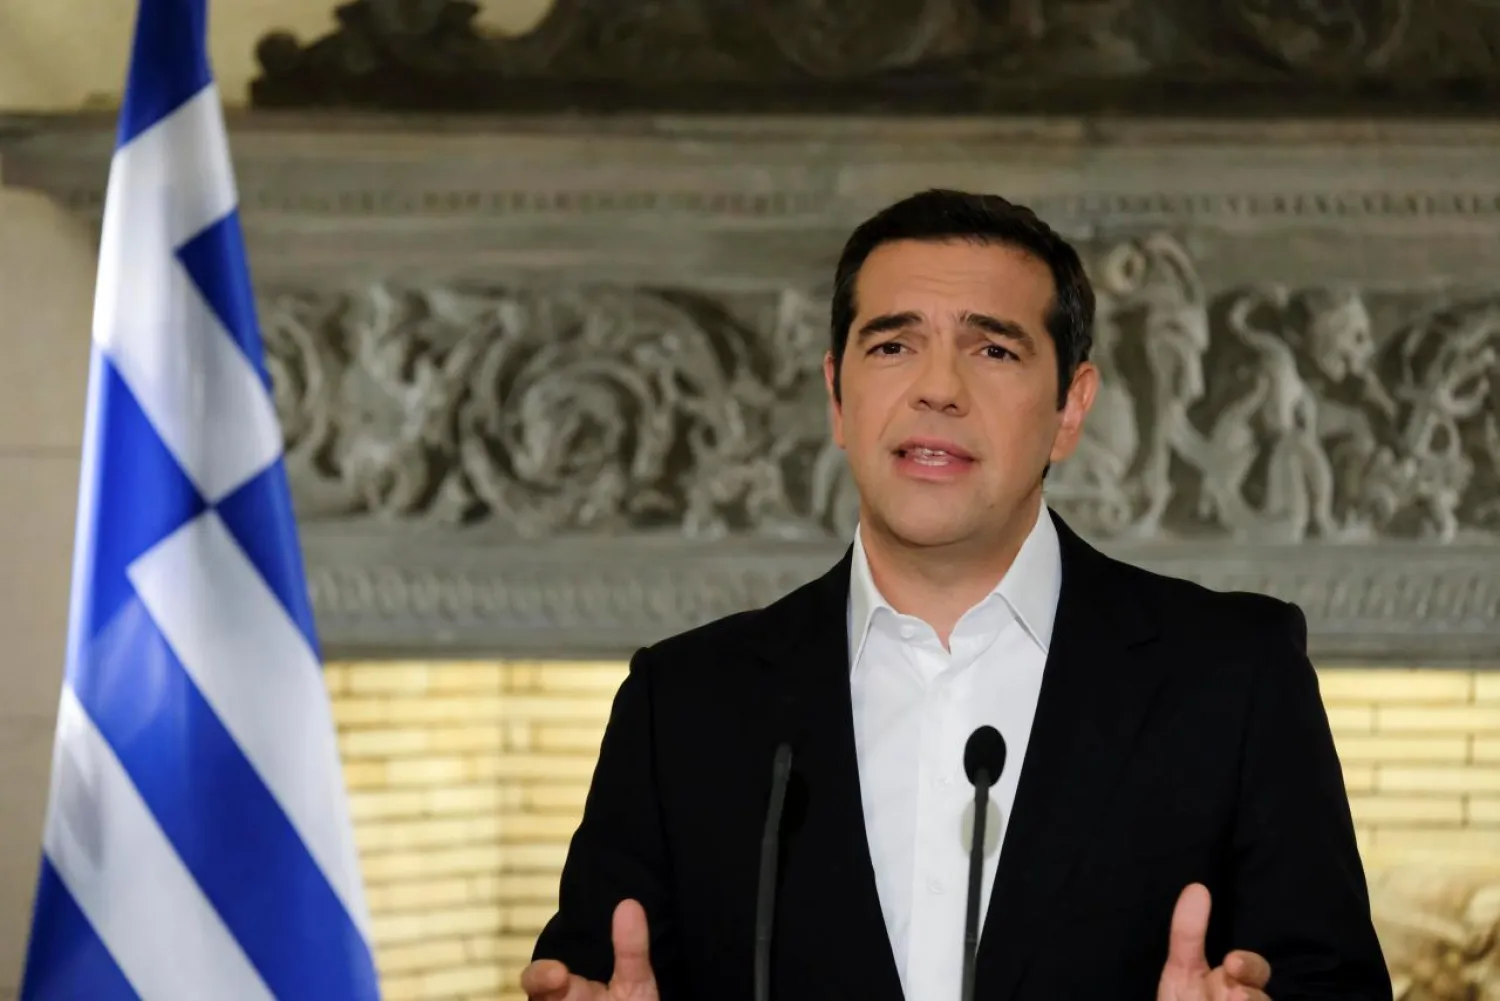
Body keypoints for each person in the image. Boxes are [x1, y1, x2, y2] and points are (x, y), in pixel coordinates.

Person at [522, 190, 1392, 1000]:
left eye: (993, 349)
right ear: (836, 395)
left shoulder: (1233, 678)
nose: (937, 388)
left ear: (1071, 407)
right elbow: (601, 973)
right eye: (892, 346)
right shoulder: (682, 706)